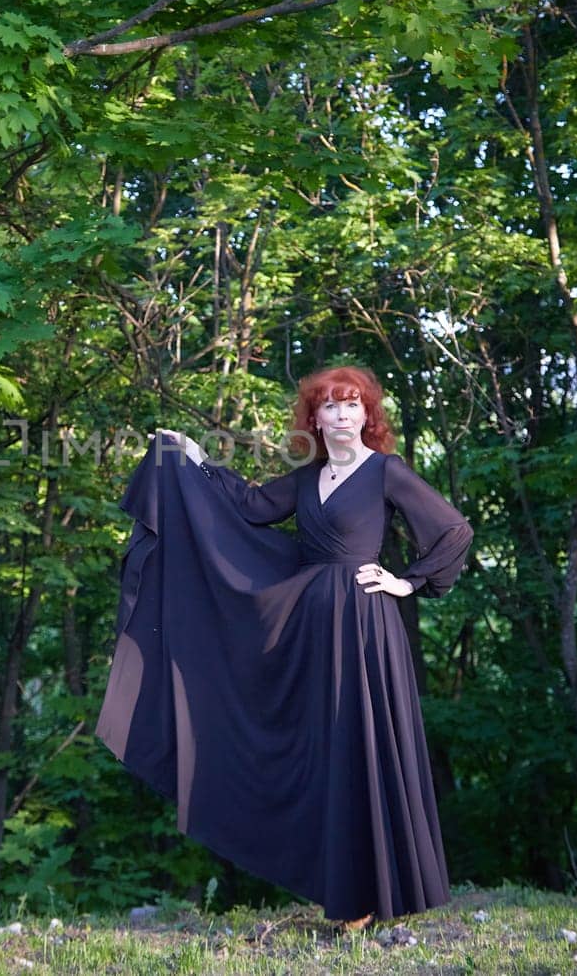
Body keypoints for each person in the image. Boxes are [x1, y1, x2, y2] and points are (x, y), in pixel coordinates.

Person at [95, 365, 474, 931]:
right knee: (323, 752)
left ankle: (371, 899)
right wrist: (194, 459)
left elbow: (453, 531)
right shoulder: (308, 477)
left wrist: (407, 581)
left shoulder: (386, 472)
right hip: (311, 629)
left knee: (362, 747)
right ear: (315, 420)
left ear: (366, 415)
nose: (341, 416)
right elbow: (248, 508)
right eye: (329, 407)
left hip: (365, 626)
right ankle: (344, 898)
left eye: (351, 406)